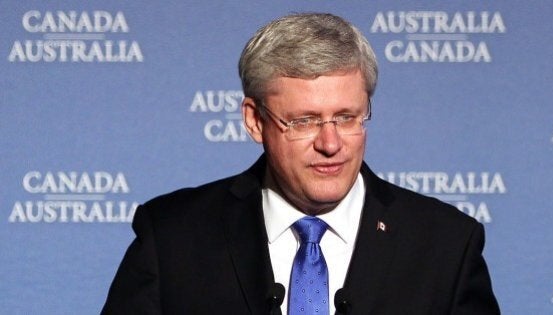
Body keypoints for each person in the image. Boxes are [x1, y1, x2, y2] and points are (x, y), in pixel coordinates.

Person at [102, 12, 500, 315]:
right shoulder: (173, 237)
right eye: (304, 121)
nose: (331, 144)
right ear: (254, 121)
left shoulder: (446, 245)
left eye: (347, 117)